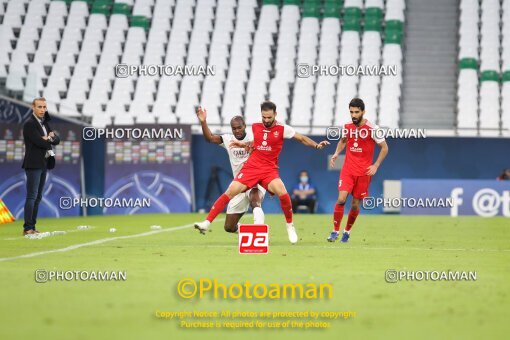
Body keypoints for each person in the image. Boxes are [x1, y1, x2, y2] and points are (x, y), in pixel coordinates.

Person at [194, 101, 329, 244]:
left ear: (275, 114)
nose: (266, 120)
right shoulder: (256, 127)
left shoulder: (283, 129)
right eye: (264, 117)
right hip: (251, 168)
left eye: (269, 117)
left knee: (281, 193)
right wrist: (242, 144)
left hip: (269, 170)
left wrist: (316, 145)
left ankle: (289, 226)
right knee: (229, 196)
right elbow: (254, 143)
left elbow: (301, 138)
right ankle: (207, 223)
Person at [328, 98, 389, 243]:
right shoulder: (347, 126)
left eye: (356, 112)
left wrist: (375, 165)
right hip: (348, 170)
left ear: (363, 112)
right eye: (351, 112)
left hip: (364, 173)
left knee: (355, 204)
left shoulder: (373, 129)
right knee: (341, 199)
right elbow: (343, 141)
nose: (353, 115)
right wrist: (337, 153)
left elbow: (385, 148)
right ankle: (335, 231)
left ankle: (347, 232)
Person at [196, 106, 265, 232]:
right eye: (234, 128)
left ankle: (259, 229)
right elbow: (209, 138)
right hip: (239, 184)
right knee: (229, 227)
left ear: (245, 126)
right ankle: (251, 233)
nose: (237, 130)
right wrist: (203, 122)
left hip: (255, 180)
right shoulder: (228, 139)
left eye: (239, 127)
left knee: (255, 198)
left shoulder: (254, 138)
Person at [22, 97, 60, 235]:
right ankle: (27, 228)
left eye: (44, 107)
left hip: (43, 163)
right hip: (33, 164)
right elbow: (40, 142)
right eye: (39, 107)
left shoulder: (45, 123)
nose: (42, 110)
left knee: (38, 197)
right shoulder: (29, 124)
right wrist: (47, 138)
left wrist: (49, 138)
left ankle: (32, 226)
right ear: (33, 107)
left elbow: (56, 140)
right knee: (32, 196)